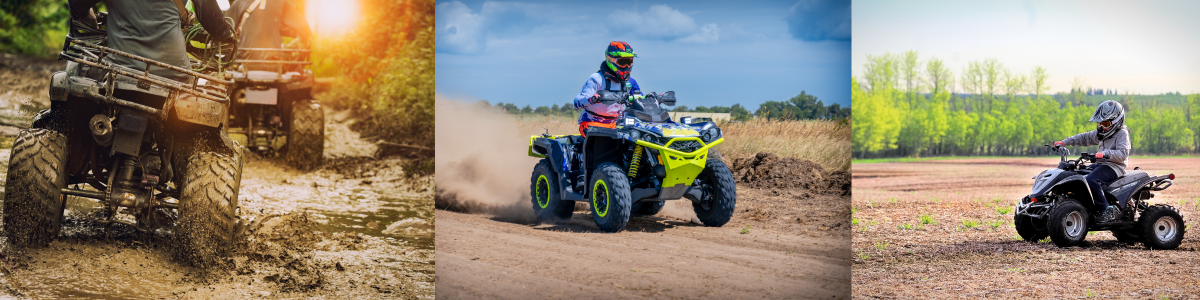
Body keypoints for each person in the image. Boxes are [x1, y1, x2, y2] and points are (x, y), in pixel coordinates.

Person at [68, 0, 235, 83]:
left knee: (74, 72)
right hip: (174, 73)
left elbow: (77, 3)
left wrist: (85, 12)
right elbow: (212, 20)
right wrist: (227, 34)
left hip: (121, 70)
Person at [1054, 100, 1130, 223]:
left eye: (1105, 123)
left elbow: (1122, 154)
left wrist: (1105, 154)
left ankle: (1106, 209)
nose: (1101, 126)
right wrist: (1064, 142)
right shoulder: (1102, 133)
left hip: (1115, 166)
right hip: (1101, 164)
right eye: (1100, 123)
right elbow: (1084, 137)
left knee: (1091, 180)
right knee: (1078, 173)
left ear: (1117, 121)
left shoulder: (1122, 134)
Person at [573, 41, 643, 136]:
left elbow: (640, 100)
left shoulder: (630, 82)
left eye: (629, 62)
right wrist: (593, 99)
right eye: (622, 62)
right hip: (592, 123)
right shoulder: (597, 79)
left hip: (616, 124)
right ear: (610, 60)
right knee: (605, 143)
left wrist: (654, 101)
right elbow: (577, 102)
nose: (627, 66)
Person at [227, 0, 313, 72]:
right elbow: (304, 28)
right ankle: (297, 69)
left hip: (243, 61)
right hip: (273, 62)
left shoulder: (239, 2)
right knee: (304, 40)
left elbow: (226, 29)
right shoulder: (281, 2)